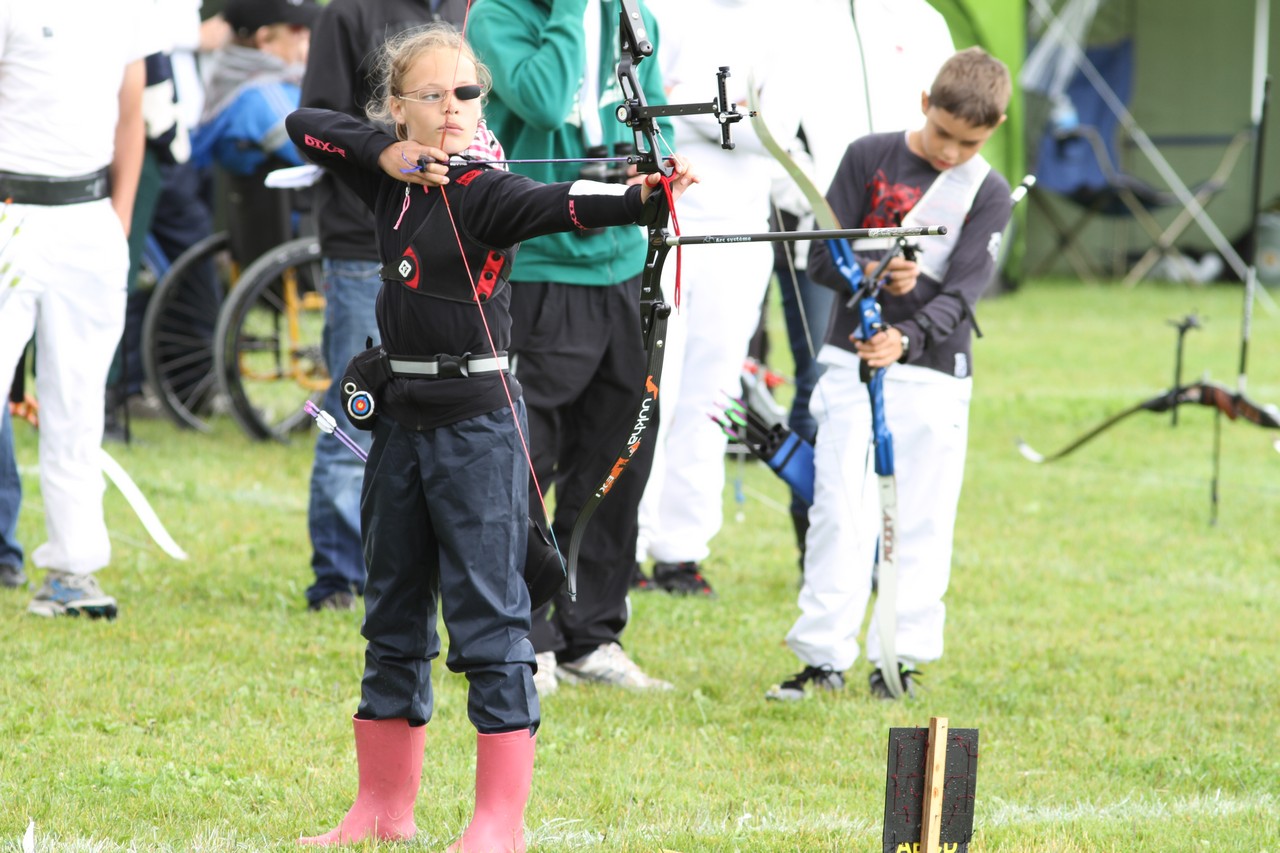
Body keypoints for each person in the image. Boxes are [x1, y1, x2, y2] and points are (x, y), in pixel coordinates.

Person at [285, 23, 696, 847]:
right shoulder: (392, 179)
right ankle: (381, 810)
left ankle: (497, 822)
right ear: (397, 107)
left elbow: (564, 202)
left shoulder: (483, 189)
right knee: (392, 613)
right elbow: (308, 125)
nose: (453, 110)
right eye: (431, 96)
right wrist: (384, 154)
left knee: (490, 621)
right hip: (399, 422)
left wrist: (641, 193)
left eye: (466, 93)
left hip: (475, 431)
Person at [766, 47, 1013, 701]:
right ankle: (822, 658)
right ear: (922, 104)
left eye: (970, 142)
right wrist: (877, 263)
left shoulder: (986, 192)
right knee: (840, 512)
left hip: (933, 370)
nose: (951, 154)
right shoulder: (867, 155)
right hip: (853, 358)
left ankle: (898, 659)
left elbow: (963, 292)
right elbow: (821, 258)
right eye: (942, 134)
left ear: (996, 128)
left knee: (922, 517)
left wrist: (906, 335)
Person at [469, 0, 677, 696]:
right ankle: (526, 633)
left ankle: (594, 633)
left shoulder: (630, 13)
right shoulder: (495, 15)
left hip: (623, 266)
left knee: (620, 454)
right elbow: (548, 98)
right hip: (540, 269)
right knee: (531, 458)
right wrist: (568, 8)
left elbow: (656, 110)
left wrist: (657, 173)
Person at [299, 0, 472, 613]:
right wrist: (384, 153)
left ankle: (415, 571)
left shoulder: (465, 10)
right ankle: (339, 577)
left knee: (440, 413)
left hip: (450, 249)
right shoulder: (348, 13)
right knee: (357, 402)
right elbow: (310, 121)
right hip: (362, 243)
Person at [771, 0, 955, 560]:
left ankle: (884, 543)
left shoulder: (925, 20)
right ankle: (823, 542)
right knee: (820, 382)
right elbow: (770, 128)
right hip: (824, 239)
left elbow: (953, 121)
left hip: (913, 239)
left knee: (904, 381)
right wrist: (810, 210)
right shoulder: (794, 16)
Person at [633, 0, 803, 597]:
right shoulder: (657, 8)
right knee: (652, 388)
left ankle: (680, 551)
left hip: (744, 231)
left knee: (713, 394)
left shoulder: (784, 18)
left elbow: (778, 129)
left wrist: (700, 107)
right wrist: (723, 112)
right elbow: (644, 105)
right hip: (668, 226)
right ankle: (625, 542)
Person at [0, 0, 155, 619]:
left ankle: (72, 569)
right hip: (12, 209)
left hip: (88, 220)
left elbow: (131, 115)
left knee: (78, 400)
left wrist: (115, 222)